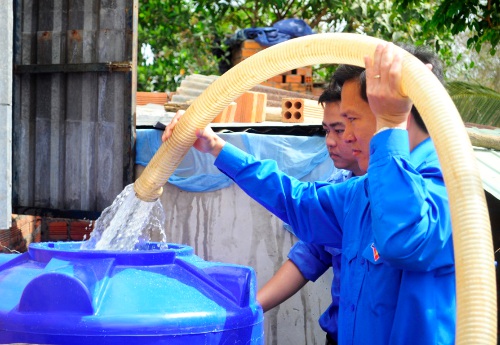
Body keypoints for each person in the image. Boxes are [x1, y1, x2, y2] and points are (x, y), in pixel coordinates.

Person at [163, 42, 455, 344]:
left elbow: (404, 240)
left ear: (399, 110)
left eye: (351, 120)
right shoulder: (364, 190)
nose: (346, 136)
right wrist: (216, 147)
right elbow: (297, 200)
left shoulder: (449, 187)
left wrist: (390, 126)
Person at [256, 84, 363, 345]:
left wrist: (217, 149)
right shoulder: (338, 182)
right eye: (327, 131)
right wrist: (251, 307)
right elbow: (311, 255)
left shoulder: (398, 193)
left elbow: (292, 199)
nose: (330, 141)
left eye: (339, 130)